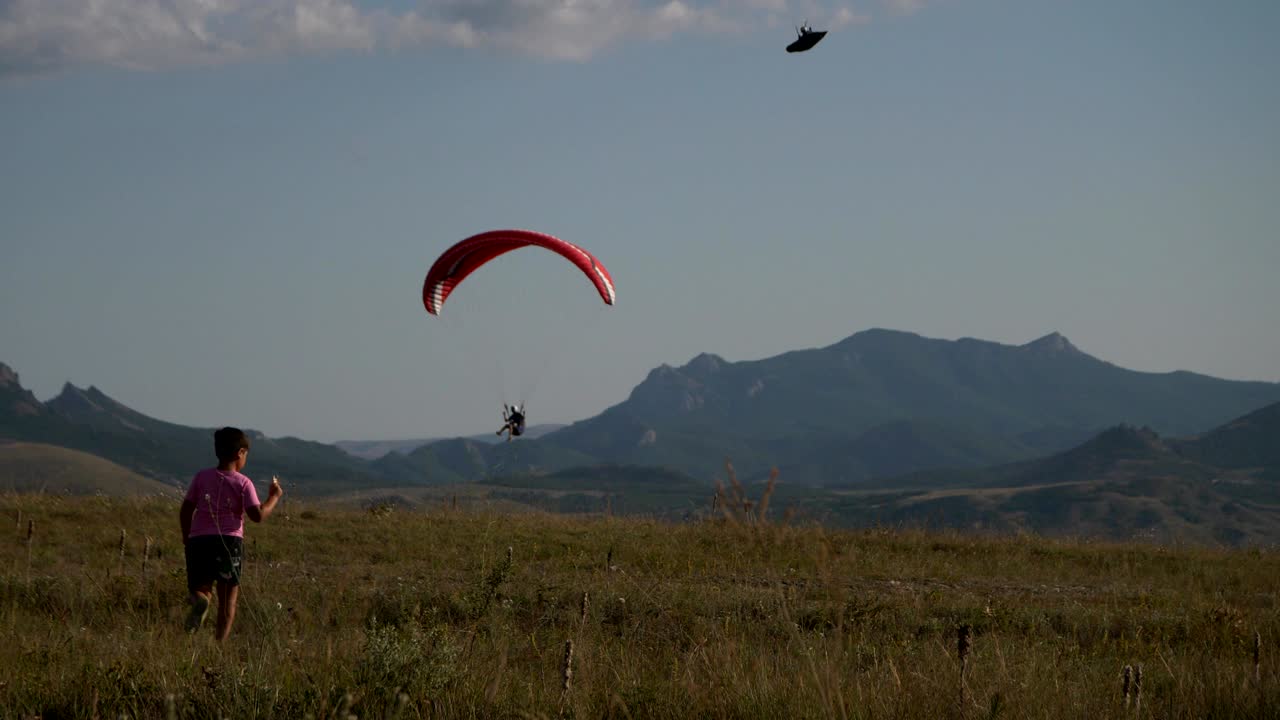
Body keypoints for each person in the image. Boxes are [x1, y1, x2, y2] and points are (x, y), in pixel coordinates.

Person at [179, 426, 282, 640]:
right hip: (229, 542)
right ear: (240, 453)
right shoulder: (243, 483)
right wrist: (274, 497)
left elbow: (186, 509)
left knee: (201, 587)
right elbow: (258, 515)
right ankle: (220, 645)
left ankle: (200, 600)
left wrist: (187, 538)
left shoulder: (201, 477)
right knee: (228, 600)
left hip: (199, 540)